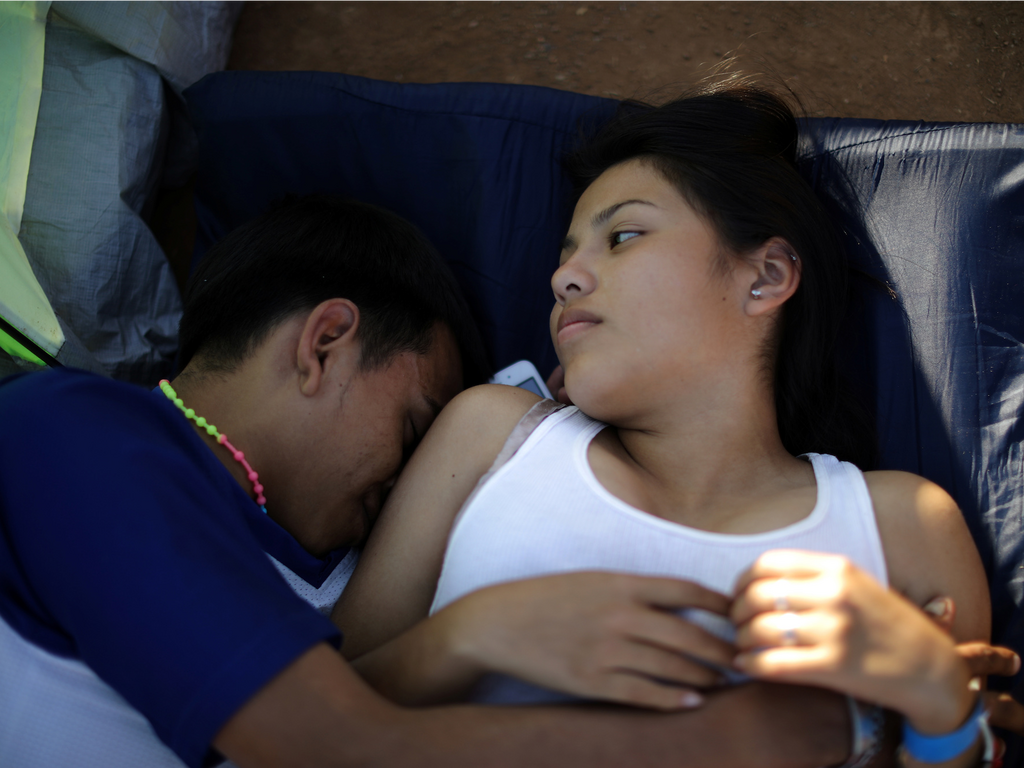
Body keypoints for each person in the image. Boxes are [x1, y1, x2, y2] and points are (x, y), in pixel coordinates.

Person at [0, 194, 859, 768]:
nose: (411, 476)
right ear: (324, 343)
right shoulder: (73, 435)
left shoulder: (328, 571)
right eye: (416, 427)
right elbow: (332, 746)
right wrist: (712, 743)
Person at [330, 85, 1011, 767]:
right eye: (565, 256)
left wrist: (940, 708)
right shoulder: (492, 436)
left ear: (766, 276)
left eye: (623, 236)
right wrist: (468, 636)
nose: (565, 278)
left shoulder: (903, 527)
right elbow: (300, 723)